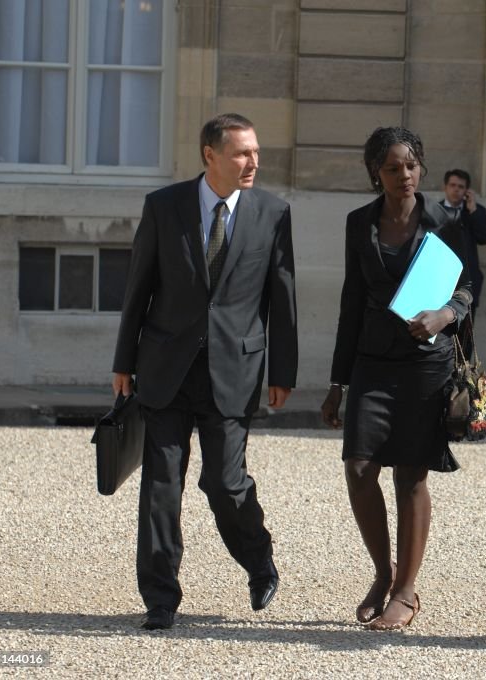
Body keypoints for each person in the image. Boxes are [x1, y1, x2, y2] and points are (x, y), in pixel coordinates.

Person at [111, 113, 298, 631]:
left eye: (256, 152)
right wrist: (123, 361)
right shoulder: (164, 206)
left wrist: (284, 370)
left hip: (234, 370)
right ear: (209, 155)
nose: (253, 162)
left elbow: (282, 298)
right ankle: (160, 597)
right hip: (166, 366)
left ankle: (258, 559)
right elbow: (138, 288)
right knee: (161, 486)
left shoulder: (273, 213)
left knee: (224, 483)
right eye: (242, 153)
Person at [321, 127, 472, 631]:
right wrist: (338, 382)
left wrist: (443, 315)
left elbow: (468, 291)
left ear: (421, 168)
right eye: (391, 167)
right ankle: (383, 574)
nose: (403, 175)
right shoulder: (358, 224)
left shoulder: (446, 222)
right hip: (373, 362)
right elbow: (349, 301)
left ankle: (405, 592)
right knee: (359, 468)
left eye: (410, 165)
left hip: (426, 363)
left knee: (411, 473)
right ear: (375, 174)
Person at [441, 169, 486, 315]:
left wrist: (474, 212)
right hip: (440, 281)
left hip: (467, 284)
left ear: (466, 191)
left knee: (465, 334)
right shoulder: (434, 210)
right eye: (452, 185)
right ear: (445, 187)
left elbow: (485, 237)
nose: (456, 190)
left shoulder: (475, 211)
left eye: (460, 187)